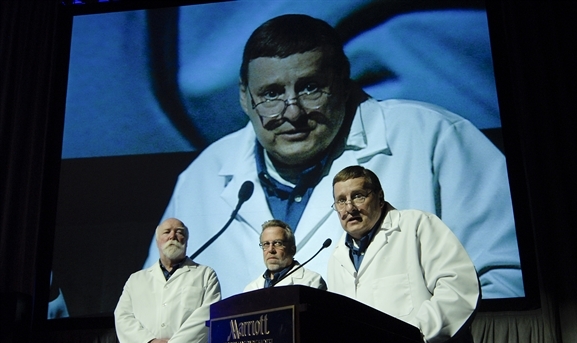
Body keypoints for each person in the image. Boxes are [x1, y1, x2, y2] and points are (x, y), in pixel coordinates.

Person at [146, 13, 522, 301]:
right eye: (271, 94)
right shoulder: (202, 176)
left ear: (343, 80)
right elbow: (157, 296)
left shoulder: (433, 138)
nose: (292, 112)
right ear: (245, 97)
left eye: (310, 88)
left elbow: (508, 275)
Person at [327, 165, 496, 343]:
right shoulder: (336, 257)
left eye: (358, 196)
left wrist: (412, 338)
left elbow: (458, 286)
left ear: (379, 198)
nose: (349, 208)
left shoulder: (416, 225)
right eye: (341, 200)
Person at [244, 219, 326, 291]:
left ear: (292, 250)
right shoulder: (250, 289)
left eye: (278, 243)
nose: (270, 250)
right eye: (266, 244)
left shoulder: (312, 282)